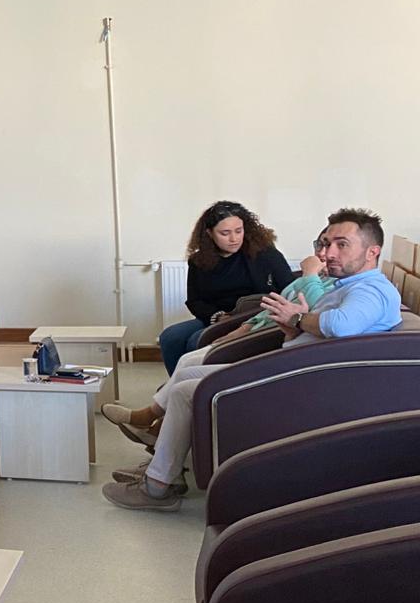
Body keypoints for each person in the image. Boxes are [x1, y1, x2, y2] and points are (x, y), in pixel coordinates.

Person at [102, 209, 402, 511]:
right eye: (325, 244)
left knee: (187, 391)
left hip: (300, 384)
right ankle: (164, 472)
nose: (328, 253)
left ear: (372, 252)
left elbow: (339, 326)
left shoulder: (371, 290)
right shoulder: (346, 286)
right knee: (186, 379)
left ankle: (157, 485)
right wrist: (292, 331)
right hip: (290, 370)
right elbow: (320, 333)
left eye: (342, 244)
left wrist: (297, 319)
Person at [157, 200, 295, 373]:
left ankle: (201, 385)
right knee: (170, 337)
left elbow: (291, 290)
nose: (234, 239)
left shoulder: (266, 254)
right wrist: (217, 317)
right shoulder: (199, 261)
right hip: (218, 318)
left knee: (196, 341)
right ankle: (178, 384)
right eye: (225, 233)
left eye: (239, 231)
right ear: (209, 233)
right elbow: (195, 301)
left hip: (255, 316)